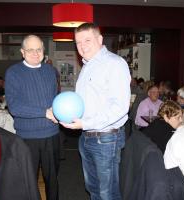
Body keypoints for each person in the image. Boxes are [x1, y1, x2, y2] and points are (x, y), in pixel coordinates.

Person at [60, 23, 131, 200]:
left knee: (107, 193)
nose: (82, 46)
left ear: (99, 40)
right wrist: (61, 112)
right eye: (78, 42)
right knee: (93, 188)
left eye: (87, 40)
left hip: (106, 138)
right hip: (86, 136)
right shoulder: (87, 66)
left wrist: (85, 123)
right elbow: (85, 103)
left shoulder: (114, 63)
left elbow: (120, 107)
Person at [5, 35, 59, 200]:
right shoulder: (13, 73)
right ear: (22, 52)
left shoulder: (50, 71)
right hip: (27, 137)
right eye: (30, 49)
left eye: (39, 49)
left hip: (52, 133)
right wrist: (44, 112)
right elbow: (14, 107)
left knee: (53, 179)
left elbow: (54, 98)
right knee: (28, 180)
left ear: (43, 51)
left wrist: (59, 112)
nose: (35, 53)